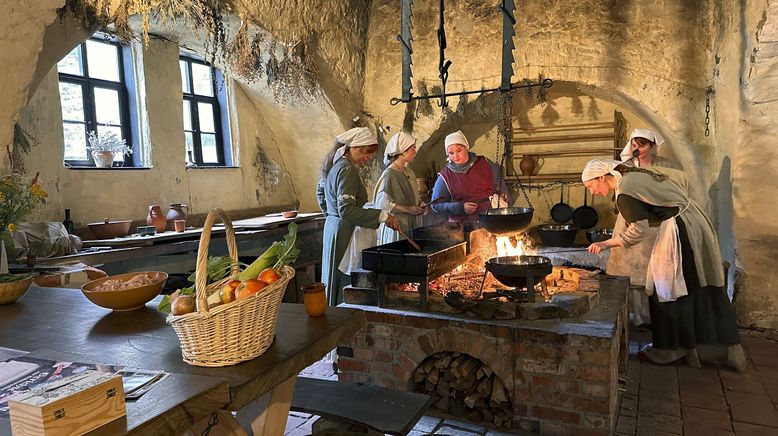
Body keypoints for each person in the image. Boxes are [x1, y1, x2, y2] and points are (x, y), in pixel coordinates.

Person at [582, 159, 745, 371]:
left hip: (679, 230)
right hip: (691, 221)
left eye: (590, 186)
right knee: (692, 283)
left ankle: (672, 348)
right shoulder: (633, 175)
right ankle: (706, 348)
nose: (593, 192)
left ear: (602, 177)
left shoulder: (625, 192)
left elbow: (638, 231)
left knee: (667, 287)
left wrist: (605, 244)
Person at [317, 127, 400, 306]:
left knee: (331, 277)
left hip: (334, 228)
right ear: (354, 147)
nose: (368, 158)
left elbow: (321, 194)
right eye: (367, 152)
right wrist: (382, 216)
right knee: (343, 280)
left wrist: (331, 216)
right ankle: (340, 316)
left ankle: (332, 309)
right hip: (343, 232)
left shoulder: (336, 164)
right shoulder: (346, 169)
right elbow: (346, 210)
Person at [608, 129, 680, 326]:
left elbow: (674, 190)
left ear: (652, 146)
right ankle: (634, 317)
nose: (637, 148)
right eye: (634, 144)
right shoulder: (626, 167)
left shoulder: (666, 166)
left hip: (656, 225)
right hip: (630, 220)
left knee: (655, 271)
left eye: (642, 145)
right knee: (630, 273)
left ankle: (654, 319)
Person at [430, 130, 510, 223]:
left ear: (466, 147)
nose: (456, 156)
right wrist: (460, 207)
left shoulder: (485, 163)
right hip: (461, 227)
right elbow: (435, 205)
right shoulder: (445, 176)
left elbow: (503, 190)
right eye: (451, 153)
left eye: (459, 150)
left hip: (490, 221)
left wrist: (504, 200)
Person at [374, 132, 424, 245]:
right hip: (397, 227)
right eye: (412, 149)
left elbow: (414, 198)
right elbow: (382, 204)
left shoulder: (410, 172)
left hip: (413, 224)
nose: (415, 152)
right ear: (402, 151)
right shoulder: (389, 174)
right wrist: (408, 209)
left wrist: (421, 204)